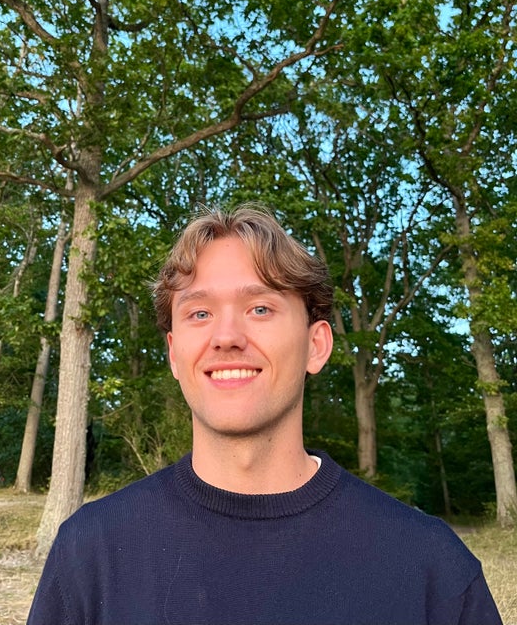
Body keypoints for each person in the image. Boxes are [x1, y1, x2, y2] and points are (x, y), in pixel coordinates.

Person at [27, 204, 502, 625]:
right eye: (199, 314)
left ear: (316, 345)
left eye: (259, 308)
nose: (226, 337)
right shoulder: (90, 554)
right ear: (173, 353)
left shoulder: (431, 570)